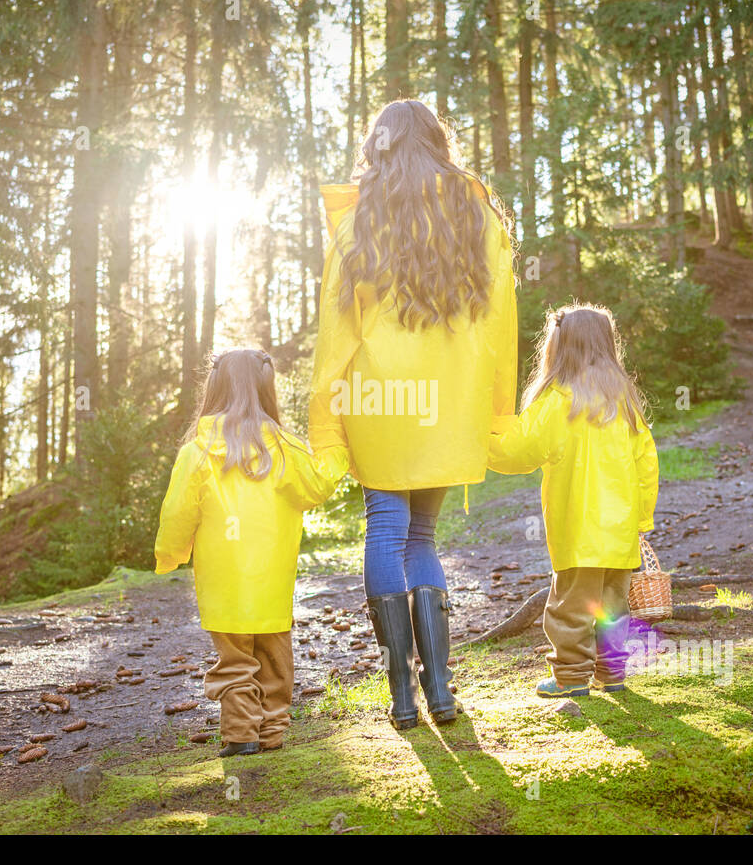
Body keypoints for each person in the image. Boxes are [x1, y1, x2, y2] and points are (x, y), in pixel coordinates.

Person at [310, 99, 518, 729]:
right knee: (423, 536)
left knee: (385, 524)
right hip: (447, 393)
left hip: (380, 396)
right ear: (436, 141)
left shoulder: (357, 218)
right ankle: (442, 691)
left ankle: (401, 696)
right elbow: (500, 318)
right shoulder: (473, 207)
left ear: (378, 147)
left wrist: (328, 415)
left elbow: (335, 332)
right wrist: (494, 405)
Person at [155, 349, 347, 756]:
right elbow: (319, 485)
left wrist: (169, 554)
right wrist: (337, 447)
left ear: (215, 389)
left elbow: (177, 512)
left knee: (235, 659)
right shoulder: (286, 449)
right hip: (272, 581)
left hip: (222, 583)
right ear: (265, 389)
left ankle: (242, 733)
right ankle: (272, 732)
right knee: (276, 658)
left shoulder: (198, 452)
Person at [488, 305, 659, 698]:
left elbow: (519, 451)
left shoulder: (558, 402)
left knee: (571, 606)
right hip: (619, 534)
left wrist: (482, 442)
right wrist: (642, 518)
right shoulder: (626, 404)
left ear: (560, 347)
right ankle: (612, 673)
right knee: (614, 605)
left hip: (577, 531)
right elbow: (647, 463)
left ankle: (570, 677)